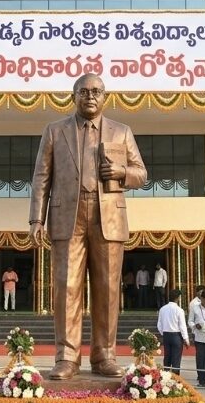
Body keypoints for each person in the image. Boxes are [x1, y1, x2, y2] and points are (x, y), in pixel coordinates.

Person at [29, 74, 147, 380]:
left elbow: (141, 174)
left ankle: (104, 355)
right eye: (84, 91)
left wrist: (121, 171)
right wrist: (36, 219)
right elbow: (41, 177)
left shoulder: (121, 131)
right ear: (74, 96)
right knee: (66, 287)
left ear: (105, 97)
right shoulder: (55, 131)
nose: (90, 96)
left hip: (106, 215)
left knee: (107, 289)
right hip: (67, 215)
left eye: (96, 91)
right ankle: (66, 357)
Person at [157, 289, 189, 375]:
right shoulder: (179, 310)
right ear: (178, 298)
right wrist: (186, 339)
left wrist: (163, 333)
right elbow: (182, 326)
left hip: (166, 335)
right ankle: (175, 378)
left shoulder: (162, 309)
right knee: (176, 358)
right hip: (176, 335)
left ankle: (165, 376)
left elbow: (159, 325)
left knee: (167, 356)